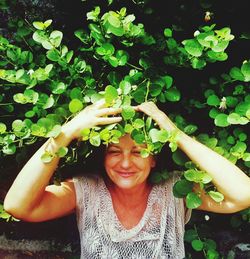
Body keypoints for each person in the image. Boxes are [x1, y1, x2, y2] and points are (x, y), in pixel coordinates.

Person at [3, 100, 250, 259]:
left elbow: (243, 194)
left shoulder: (175, 191)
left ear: (153, 158)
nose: (125, 163)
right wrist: (65, 133)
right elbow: (17, 205)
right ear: (103, 157)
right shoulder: (87, 192)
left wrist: (175, 133)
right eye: (114, 152)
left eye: (138, 151)